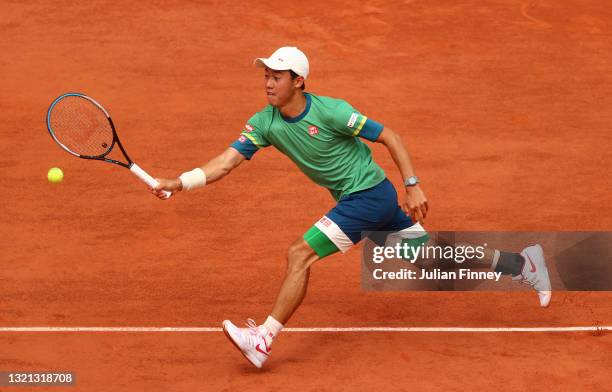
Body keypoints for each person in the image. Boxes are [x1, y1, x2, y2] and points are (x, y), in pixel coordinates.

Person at [151, 47, 552, 369]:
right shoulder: (264, 122)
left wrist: (413, 186)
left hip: (369, 196)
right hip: (362, 200)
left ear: (298, 81)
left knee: (299, 254)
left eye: (277, 76)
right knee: (433, 259)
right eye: (266, 76)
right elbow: (225, 162)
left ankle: (264, 339)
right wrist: (180, 182)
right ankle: (522, 264)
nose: (268, 83)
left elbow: (390, 136)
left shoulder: (332, 111)